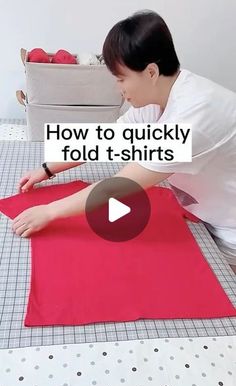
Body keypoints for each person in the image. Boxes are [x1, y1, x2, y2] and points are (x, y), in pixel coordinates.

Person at [13, 10, 236, 274]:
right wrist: (47, 168)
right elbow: (109, 139)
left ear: (151, 72)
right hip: (204, 212)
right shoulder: (159, 97)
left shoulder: (194, 115)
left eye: (121, 79)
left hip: (229, 229)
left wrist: (49, 212)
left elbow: (121, 185)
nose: (119, 88)